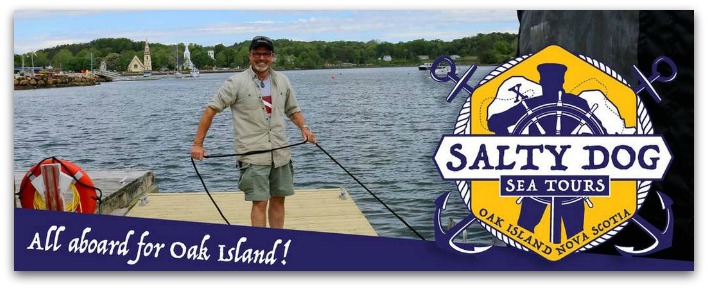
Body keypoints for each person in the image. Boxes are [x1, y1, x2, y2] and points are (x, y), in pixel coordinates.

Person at [190, 36, 317, 228]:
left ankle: (276, 244)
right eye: (257, 54)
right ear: (250, 56)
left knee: (279, 199)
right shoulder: (235, 82)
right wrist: (198, 144)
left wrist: (304, 128)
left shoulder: (283, 80)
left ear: (273, 56)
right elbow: (210, 110)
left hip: (281, 152)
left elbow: (293, 110)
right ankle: (261, 247)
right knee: (259, 202)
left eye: (266, 54)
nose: (262, 58)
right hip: (253, 156)